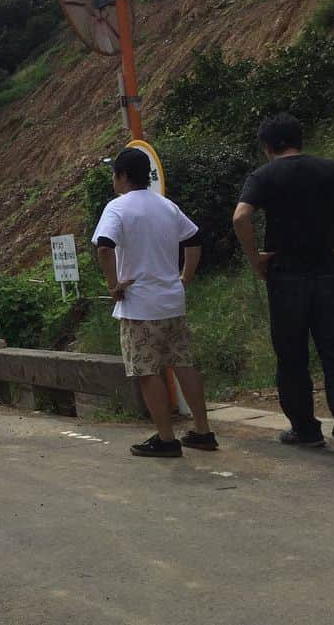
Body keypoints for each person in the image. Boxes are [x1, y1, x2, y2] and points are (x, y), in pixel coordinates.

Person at [234, 113, 334, 455]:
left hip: (285, 275)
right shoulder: (332, 169)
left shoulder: (264, 175)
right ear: (300, 140)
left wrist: (257, 257)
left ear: (268, 146)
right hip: (329, 272)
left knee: (291, 356)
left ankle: (305, 429)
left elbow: (241, 216)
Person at [92, 149, 217, 458]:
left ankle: (166, 438)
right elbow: (195, 239)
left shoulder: (117, 207)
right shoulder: (167, 206)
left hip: (139, 306)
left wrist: (113, 285)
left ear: (121, 176)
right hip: (172, 302)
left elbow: (105, 247)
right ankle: (203, 431)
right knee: (184, 364)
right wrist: (184, 278)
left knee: (148, 372)